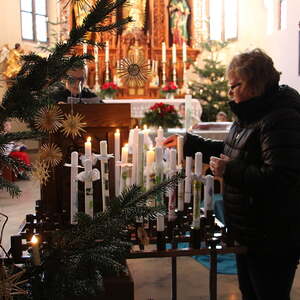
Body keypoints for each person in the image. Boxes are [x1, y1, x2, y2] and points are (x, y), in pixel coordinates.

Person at [164, 48, 300, 299]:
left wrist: (230, 170)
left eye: (235, 85)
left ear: (255, 85)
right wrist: (188, 143)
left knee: (269, 294)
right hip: (249, 229)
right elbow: (233, 150)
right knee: (249, 292)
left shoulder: (281, 118)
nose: (229, 92)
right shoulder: (251, 112)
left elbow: (282, 177)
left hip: (272, 233)